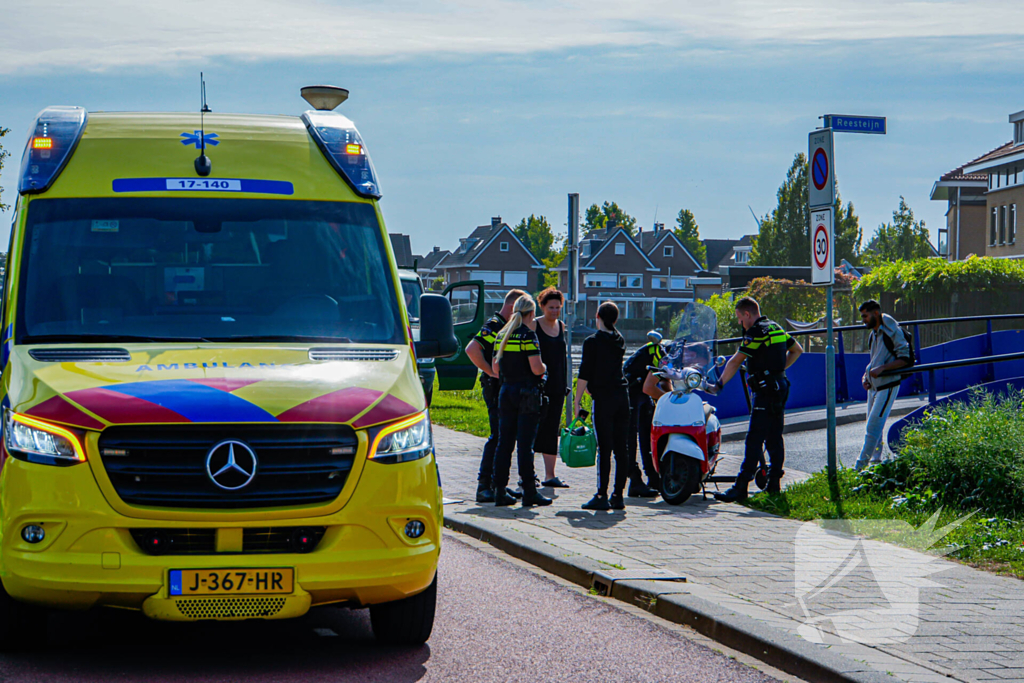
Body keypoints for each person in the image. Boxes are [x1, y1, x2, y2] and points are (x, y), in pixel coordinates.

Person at [706, 296, 803, 501]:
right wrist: (777, 370)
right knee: (774, 436)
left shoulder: (755, 332)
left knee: (754, 439)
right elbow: (797, 350)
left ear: (748, 314)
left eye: (740, 319)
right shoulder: (775, 327)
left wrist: (718, 385)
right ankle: (774, 484)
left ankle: (741, 487)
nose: (740, 323)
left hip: (766, 391)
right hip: (780, 385)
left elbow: (734, 362)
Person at [490, 294, 552, 507]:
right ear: (532, 314)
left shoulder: (501, 335)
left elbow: (495, 369)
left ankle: (499, 491)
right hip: (527, 394)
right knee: (525, 445)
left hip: (506, 392)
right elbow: (536, 368)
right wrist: (545, 369)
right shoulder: (529, 336)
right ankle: (529, 491)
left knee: (504, 443)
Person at [465, 288, 527, 503]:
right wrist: (490, 372)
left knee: (505, 436)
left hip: (505, 388)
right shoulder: (495, 325)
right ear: (512, 307)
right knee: (498, 436)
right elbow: (472, 349)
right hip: (494, 388)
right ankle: (484, 486)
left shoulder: (508, 326)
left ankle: (497, 483)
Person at [574, 302, 631, 511]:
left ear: (597, 316)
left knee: (604, 449)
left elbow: (584, 372)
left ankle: (601, 494)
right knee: (621, 449)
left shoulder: (592, 342)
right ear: (615, 320)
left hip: (604, 399)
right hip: (622, 397)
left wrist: (577, 400)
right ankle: (618, 496)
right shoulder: (620, 340)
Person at [855, 300, 910, 471]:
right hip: (874, 386)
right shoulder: (874, 333)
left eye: (865, 316)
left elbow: (905, 358)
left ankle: (859, 467)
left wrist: (883, 369)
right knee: (873, 426)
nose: (863, 319)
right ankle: (875, 462)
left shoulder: (892, 332)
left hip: (888, 384)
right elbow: (874, 361)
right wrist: (866, 376)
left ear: (876, 313)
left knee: (873, 426)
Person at [534, 287, 570, 488]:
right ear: (542, 306)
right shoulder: (534, 325)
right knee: (533, 429)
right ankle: (528, 475)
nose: (555, 311)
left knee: (551, 430)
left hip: (557, 387)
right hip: (538, 387)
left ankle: (550, 475)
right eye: (551, 307)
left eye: (558, 307)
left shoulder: (561, 326)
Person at [621, 331, 664, 497]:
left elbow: (664, 381)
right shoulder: (662, 356)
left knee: (648, 436)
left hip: (641, 392)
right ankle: (635, 480)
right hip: (630, 391)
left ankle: (653, 477)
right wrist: (669, 399)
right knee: (631, 439)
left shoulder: (665, 354)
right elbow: (649, 387)